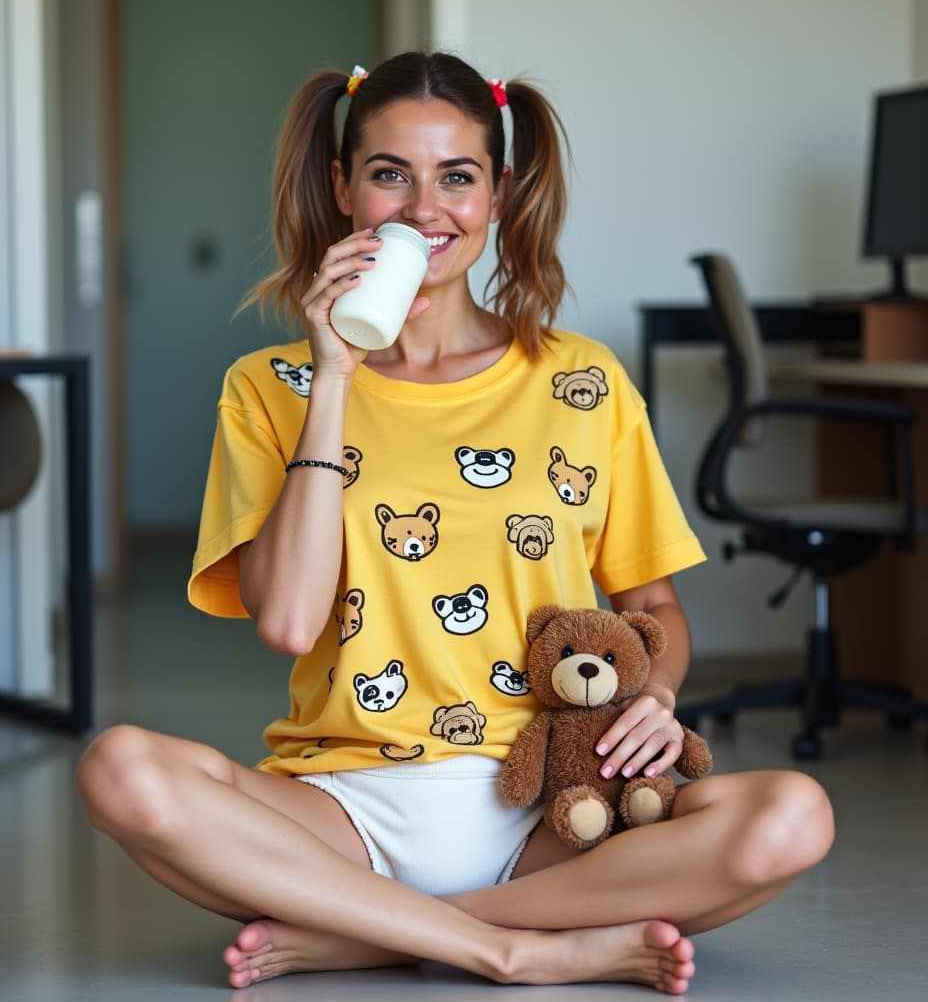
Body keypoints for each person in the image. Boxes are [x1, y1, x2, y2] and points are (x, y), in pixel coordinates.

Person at [76, 51, 834, 994]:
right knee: (119, 770)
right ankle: (509, 948)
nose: (423, 208)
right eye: (390, 173)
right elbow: (285, 624)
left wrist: (661, 696)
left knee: (793, 815)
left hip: (552, 811)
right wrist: (337, 377)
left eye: (458, 177)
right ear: (342, 185)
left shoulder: (582, 383)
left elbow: (657, 609)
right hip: (337, 811)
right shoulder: (270, 390)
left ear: (500, 195)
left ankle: (372, 936)